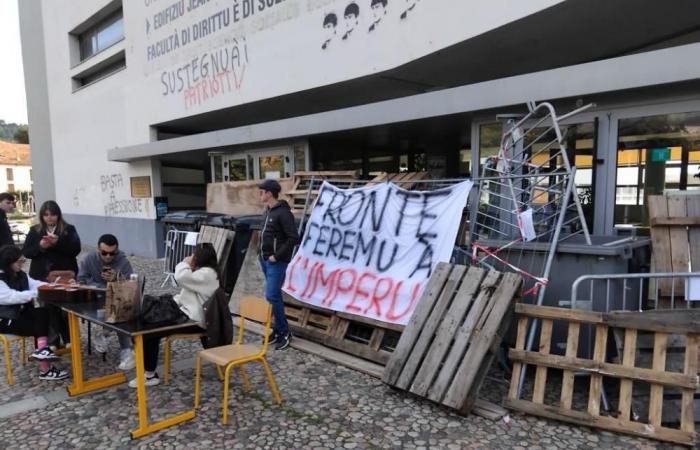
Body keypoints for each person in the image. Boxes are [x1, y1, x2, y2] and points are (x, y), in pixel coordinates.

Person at [129, 243, 219, 388]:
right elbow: (187, 295)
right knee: (147, 314)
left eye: (193, 255)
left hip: (195, 321)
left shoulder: (208, 274)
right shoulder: (204, 273)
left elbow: (180, 277)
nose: (191, 257)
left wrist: (185, 262)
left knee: (150, 330)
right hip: (186, 313)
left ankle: (149, 374)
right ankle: (136, 354)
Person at [0, 245, 68, 380]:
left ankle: (42, 353)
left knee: (43, 313)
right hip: (5, 320)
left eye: (22, 261)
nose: (21, 264)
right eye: (19, 261)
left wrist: (53, 286)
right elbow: (11, 297)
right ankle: (45, 369)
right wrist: (36, 293)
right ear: (8, 262)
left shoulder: (20, 274)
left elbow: (36, 284)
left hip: (19, 315)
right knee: (40, 325)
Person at [22, 200, 81, 347]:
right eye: (46, 215)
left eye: (53, 214)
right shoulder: (35, 230)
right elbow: (27, 252)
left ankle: (69, 338)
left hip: (64, 274)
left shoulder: (68, 229)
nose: (49, 218)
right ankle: (52, 340)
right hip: (41, 275)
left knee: (65, 309)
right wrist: (41, 246)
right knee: (46, 308)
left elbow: (76, 249)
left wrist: (57, 243)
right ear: (42, 216)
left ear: (58, 215)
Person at [77, 234, 135, 370]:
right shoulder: (90, 259)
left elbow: (131, 284)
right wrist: (97, 285)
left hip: (117, 298)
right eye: (104, 253)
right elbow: (81, 278)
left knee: (120, 311)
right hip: (95, 297)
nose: (108, 256)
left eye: (112, 253)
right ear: (98, 249)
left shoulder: (123, 261)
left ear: (117, 250)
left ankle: (124, 348)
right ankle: (104, 335)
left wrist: (116, 278)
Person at [258, 179, 298, 350]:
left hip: (276, 261)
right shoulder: (267, 211)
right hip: (265, 259)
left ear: (269, 193)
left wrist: (277, 255)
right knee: (273, 297)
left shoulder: (283, 213)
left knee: (271, 295)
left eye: (261, 192)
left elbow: (294, 237)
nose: (259, 194)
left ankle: (285, 332)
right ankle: (277, 328)